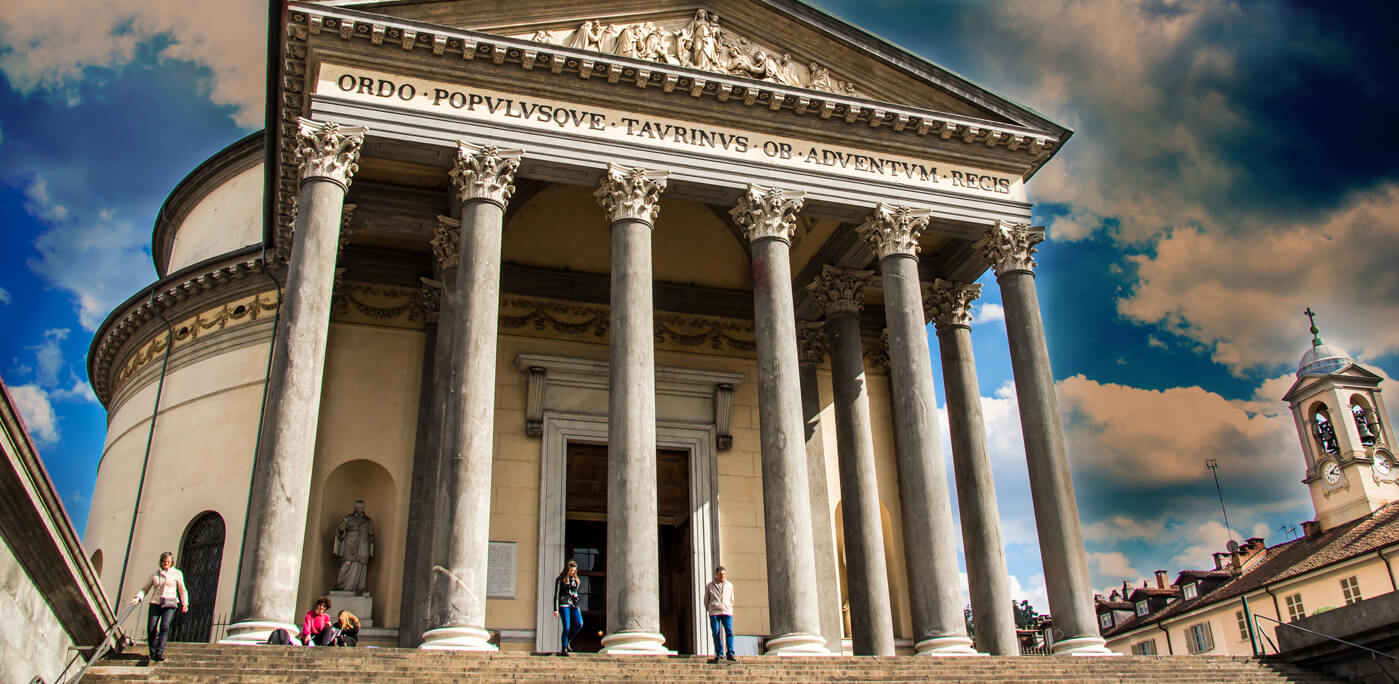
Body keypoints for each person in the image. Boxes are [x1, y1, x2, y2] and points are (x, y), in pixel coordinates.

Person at [129, 552, 188, 664]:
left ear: (172, 562)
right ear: (161, 562)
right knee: (151, 628)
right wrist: (138, 597)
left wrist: (185, 603)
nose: (166, 563)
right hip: (156, 602)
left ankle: (159, 652)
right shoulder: (155, 574)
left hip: (170, 602)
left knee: (164, 627)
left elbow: (182, 589)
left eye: (168, 562)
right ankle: (153, 651)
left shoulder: (177, 574)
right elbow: (145, 589)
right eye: (164, 561)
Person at [705, 566, 735, 663]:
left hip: (726, 611)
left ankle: (730, 652)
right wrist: (710, 609)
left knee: (729, 631)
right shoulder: (709, 586)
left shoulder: (730, 585)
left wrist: (729, 607)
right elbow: (706, 600)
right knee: (716, 633)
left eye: (724, 574)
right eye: (720, 574)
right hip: (714, 611)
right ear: (716, 575)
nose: (722, 576)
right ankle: (719, 653)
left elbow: (732, 599)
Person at [553, 559, 583, 655]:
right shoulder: (560, 579)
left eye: (574, 571)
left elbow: (576, 593)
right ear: (567, 569)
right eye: (571, 570)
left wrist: (577, 605)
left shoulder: (576, 581)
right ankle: (564, 648)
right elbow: (556, 594)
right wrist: (556, 609)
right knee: (566, 626)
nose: (572, 572)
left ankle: (568, 639)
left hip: (574, 604)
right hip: (564, 603)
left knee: (579, 623)